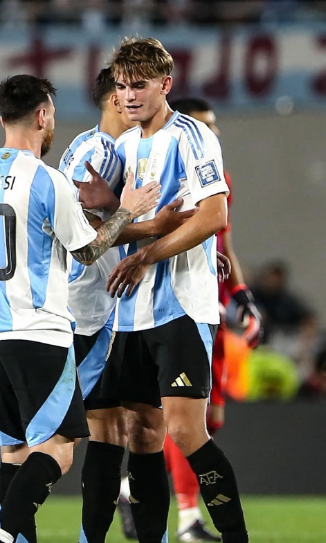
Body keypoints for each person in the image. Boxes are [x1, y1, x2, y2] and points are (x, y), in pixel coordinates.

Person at [0, 74, 160, 543]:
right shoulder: (47, 180)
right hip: (40, 333)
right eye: (53, 114)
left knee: (14, 453)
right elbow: (88, 250)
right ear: (42, 116)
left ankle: (10, 537)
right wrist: (127, 209)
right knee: (59, 450)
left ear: (3, 117)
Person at [104, 38, 249, 543]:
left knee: (185, 431)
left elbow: (214, 215)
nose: (129, 96)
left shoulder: (193, 136)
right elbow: (113, 227)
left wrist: (147, 254)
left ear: (165, 85)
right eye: (122, 86)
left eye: (139, 85)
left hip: (181, 307)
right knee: (142, 433)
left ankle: (234, 537)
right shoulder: (124, 145)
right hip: (131, 311)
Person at [61, 68, 196, 543]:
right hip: (95, 312)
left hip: (121, 309)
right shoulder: (100, 151)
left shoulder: (120, 149)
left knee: (133, 428)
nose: (136, 99)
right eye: (127, 90)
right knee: (109, 430)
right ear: (116, 100)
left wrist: (184, 241)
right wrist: (155, 226)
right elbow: (84, 237)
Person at [160, 97, 262, 542]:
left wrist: (241, 295)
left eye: (214, 126)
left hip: (213, 309)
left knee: (208, 419)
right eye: (204, 126)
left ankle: (132, 488)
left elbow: (225, 242)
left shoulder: (219, 178)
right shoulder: (165, 176)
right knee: (184, 419)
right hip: (176, 309)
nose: (213, 134)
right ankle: (187, 519)